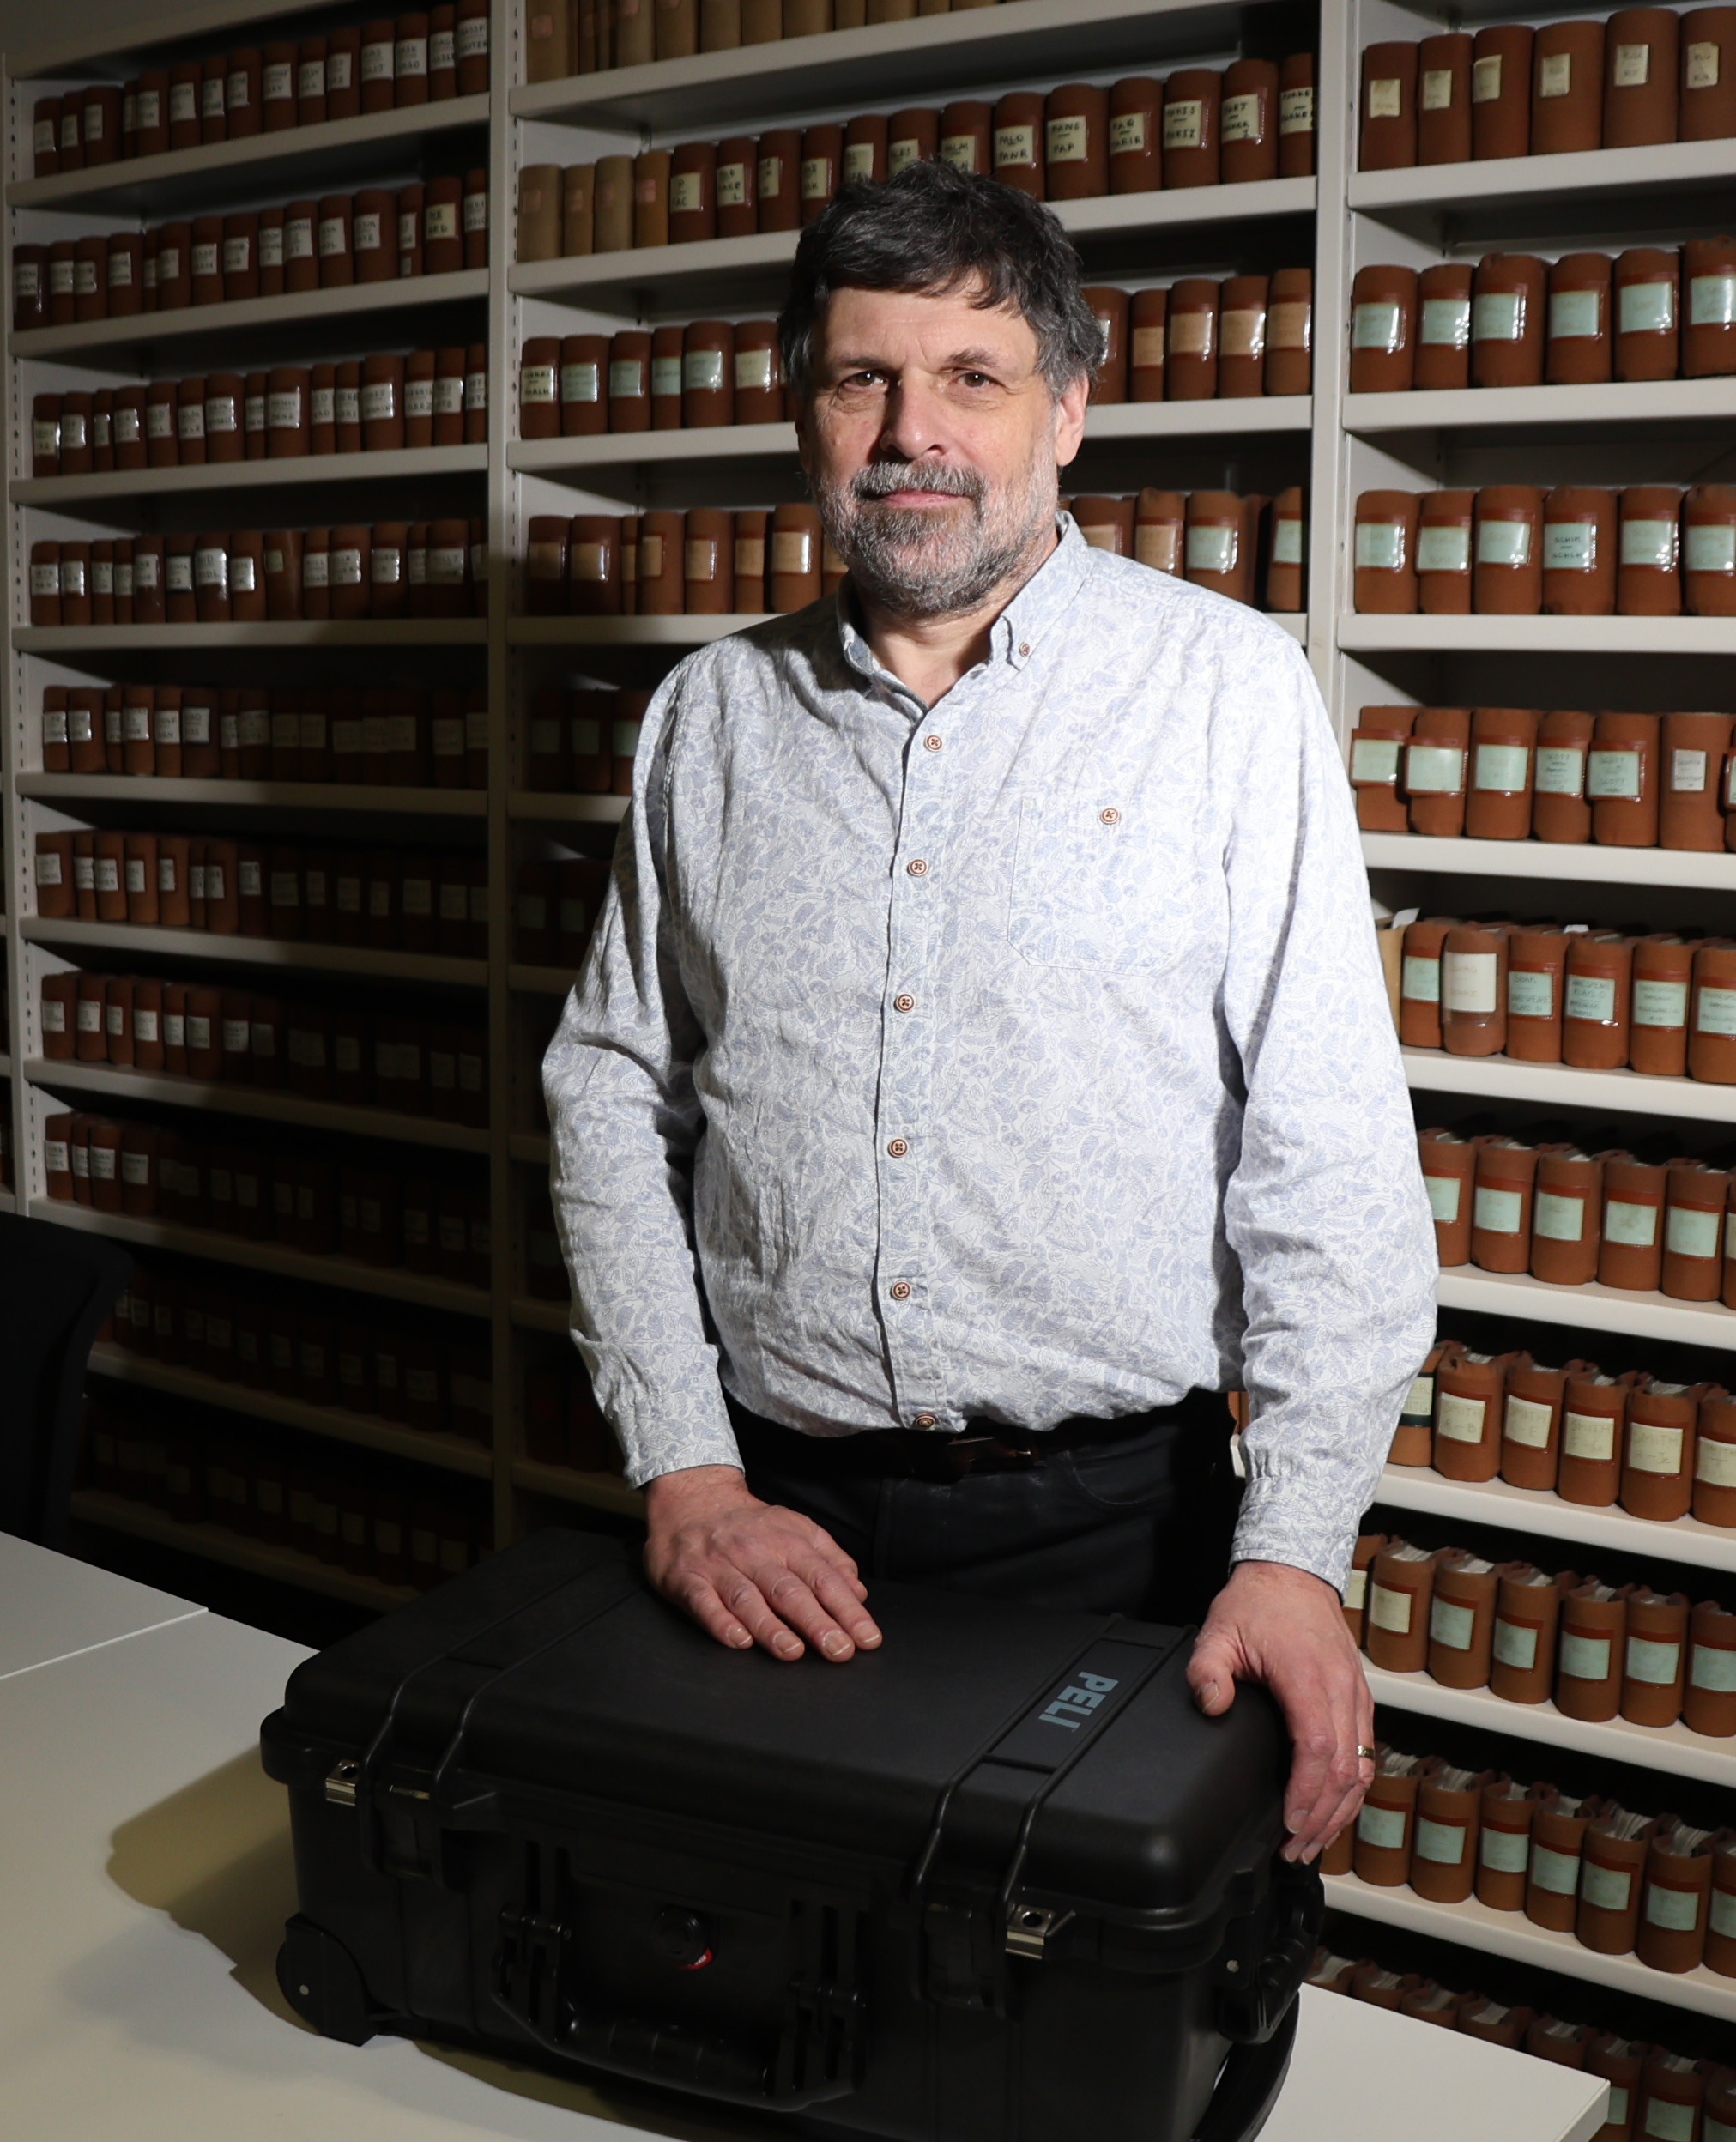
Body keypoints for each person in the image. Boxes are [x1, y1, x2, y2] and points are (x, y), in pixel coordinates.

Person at [541, 157, 1436, 1866]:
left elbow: (1325, 1152)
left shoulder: (1224, 691)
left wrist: (1297, 1546)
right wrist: (686, 1467)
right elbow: (608, 1095)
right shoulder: (712, 717)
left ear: (1070, 411)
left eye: (973, 377)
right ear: (805, 411)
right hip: (767, 1518)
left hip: (1123, 1539)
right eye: (862, 376)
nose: (911, 432)